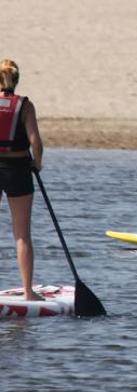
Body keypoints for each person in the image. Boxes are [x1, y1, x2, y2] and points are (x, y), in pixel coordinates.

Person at [0, 59, 42, 301]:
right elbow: (36, 142)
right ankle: (28, 292)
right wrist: (37, 163)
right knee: (22, 235)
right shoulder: (25, 106)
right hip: (17, 169)